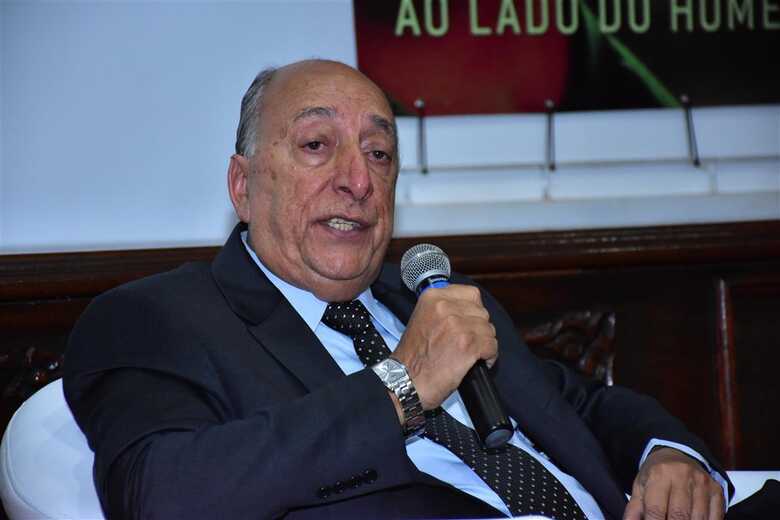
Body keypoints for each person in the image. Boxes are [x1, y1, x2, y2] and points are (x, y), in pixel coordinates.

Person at [64, 60, 730, 520]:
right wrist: (403, 386)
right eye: (316, 145)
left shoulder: (432, 299)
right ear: (243, 186)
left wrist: (668, 455)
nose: (357, 180)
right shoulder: (158, 318)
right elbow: (161, 496)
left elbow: (580, 404)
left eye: (378, 154)